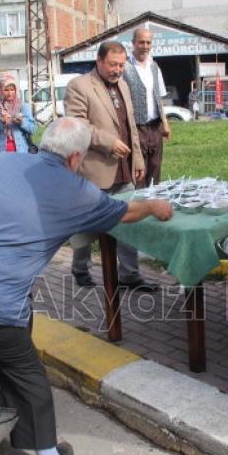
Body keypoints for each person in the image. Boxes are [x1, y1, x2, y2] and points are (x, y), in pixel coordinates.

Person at [0, 117, 172, 455]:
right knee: (28, 374)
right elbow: (124, 212)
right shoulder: (77, 191)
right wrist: (155, 206)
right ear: (75, 158)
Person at [64, 41, 158, 292]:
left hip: (124, 169)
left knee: (129, 221)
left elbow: (131, 127)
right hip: (94, 170)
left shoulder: (124, 85)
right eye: (112, 64)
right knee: (87, 225)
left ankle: (129, 274)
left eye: (121, 65)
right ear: (99, 61)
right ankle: (80, 268)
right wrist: (108, 142)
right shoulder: (79, 85)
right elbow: (77, 125)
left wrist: (138, 159)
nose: (117, 70)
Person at [122, 27, 171, 187]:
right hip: (136, 128)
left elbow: (159, 97)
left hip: (155, 127)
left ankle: (154, 199)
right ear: (133, 43)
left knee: (156, 169)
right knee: (139, 172)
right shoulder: (124, 67)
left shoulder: (154, 66)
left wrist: (165, 123)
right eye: (141, 42)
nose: (145, 46)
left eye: (148, 43)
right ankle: (140, 201)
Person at [0, 74, 37, 154]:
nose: (10, 93)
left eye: (12, 90)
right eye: (6, 90)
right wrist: (0, 122)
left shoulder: (22, 105)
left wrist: (22, 122)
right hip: (0, 154)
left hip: (21, 153)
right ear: (0, 90)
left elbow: (33, 129)